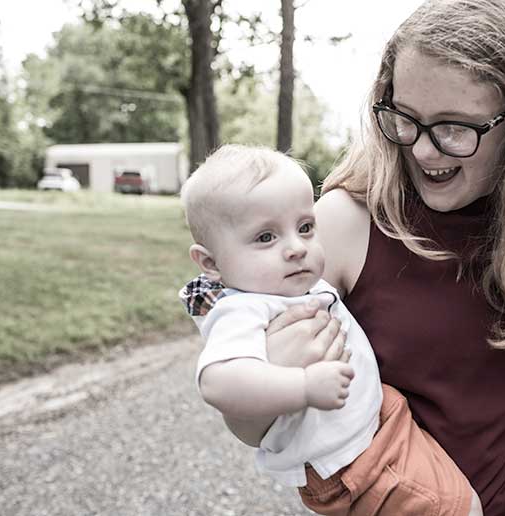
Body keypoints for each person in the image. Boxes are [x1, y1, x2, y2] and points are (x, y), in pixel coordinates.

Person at [216, 1, 505, 514]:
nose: (425, 152)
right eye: (405, 118)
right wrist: (280, 375)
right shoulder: (344, 223)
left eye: (456, 127)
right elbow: (249, 422)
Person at [179, 144, 482, 515]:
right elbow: (218, 382)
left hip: (379, 425)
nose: (295, 248)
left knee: (462, 494)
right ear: (210, 262)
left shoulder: (295, 284)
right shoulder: (242, 310)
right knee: (459, 508)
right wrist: (303, 387)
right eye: (265, 237)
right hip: (350, 463)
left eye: (305, 228)